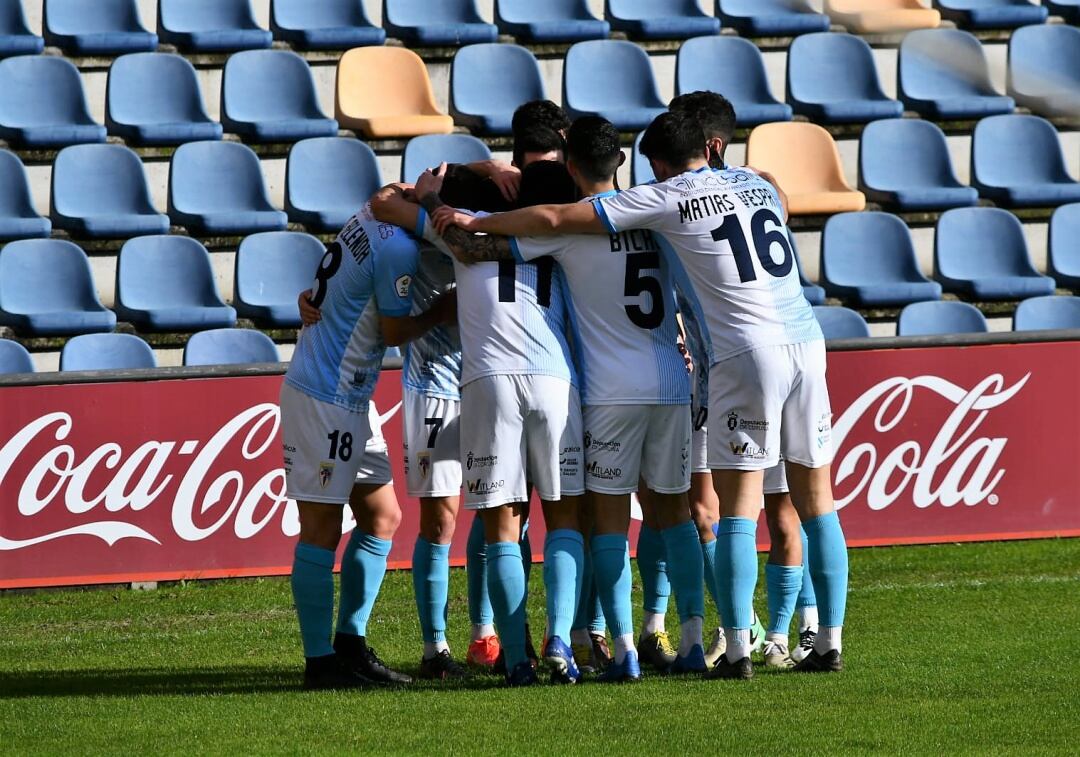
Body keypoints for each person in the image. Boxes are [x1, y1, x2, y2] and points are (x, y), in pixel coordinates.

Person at [431, 110, 850, 679]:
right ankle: (816, 640)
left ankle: (663, 647)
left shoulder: (652, 204)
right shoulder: (751, 182)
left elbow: (541, 224)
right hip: (782, 345)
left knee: (713, 514)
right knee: (806, 502)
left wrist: (457, 214)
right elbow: (772, 196)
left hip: (662, 377)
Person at [425, 117, 708, 680]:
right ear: (619, 161)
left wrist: (438, 208)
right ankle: (691, 640)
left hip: (599, 390)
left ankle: (604, 650)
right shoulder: (656, 212)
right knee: (670, 517)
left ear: (574, 166)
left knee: (546, 522)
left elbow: (477, 245)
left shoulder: (564, 230)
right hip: (664, 383)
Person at [377, 161, 587, 687]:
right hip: (553, 378)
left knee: (501, 529)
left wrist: (430, 198)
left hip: (489, 380)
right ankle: (560, 639)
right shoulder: (558, 238)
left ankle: (514, 656)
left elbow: (388, 202)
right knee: (563, 521)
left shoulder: (461, 233)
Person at [282, 204, 454, 689]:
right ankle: (320, 663)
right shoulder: (398, 248)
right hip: (324, 394)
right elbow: (396, 332)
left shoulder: (374, 213)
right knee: (320, 527)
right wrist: (445, 309)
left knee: (383, 516)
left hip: (352, 395)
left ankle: (350, 645)